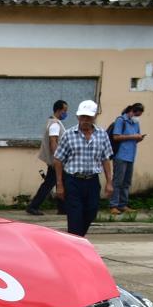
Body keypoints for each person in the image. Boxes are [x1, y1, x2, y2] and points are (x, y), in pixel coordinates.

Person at [53, 99, 113, 237]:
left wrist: (109, 182)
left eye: (88, 117)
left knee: (90, 213)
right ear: (78, 117)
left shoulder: (102, 135)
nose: (85, 120)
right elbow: (58, 159)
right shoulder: (69, 135)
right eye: (82, 117)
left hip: (92, 181)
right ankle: (75, 246)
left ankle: (77, 240)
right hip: (73, 181)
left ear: (94, 117)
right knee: (75, 217)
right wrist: (59, 184)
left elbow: (105, 159)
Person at [27, 100, 68, 216]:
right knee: (50, 183)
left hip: (57, 160)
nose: (66, 113)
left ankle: (62, 208)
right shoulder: (54, 124)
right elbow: (53, 142)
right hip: (56, 160)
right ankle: (33, 206)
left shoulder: (54, 122)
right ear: (59, 110)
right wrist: (57, 158)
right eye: (65, 110)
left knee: (60, 182)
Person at [109, 103, 146, 214]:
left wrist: (139, 138)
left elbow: (136, 137)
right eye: (136, 114)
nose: (137, 117)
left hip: (131, 156)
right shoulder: (121, 120)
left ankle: (123, 204)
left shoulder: (135, 123)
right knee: (118, 181)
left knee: (126, 182)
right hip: (120, 155)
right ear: (130, 111)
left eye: (139, 115)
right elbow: (116, 136)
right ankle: (113, 205)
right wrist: (133, 137)